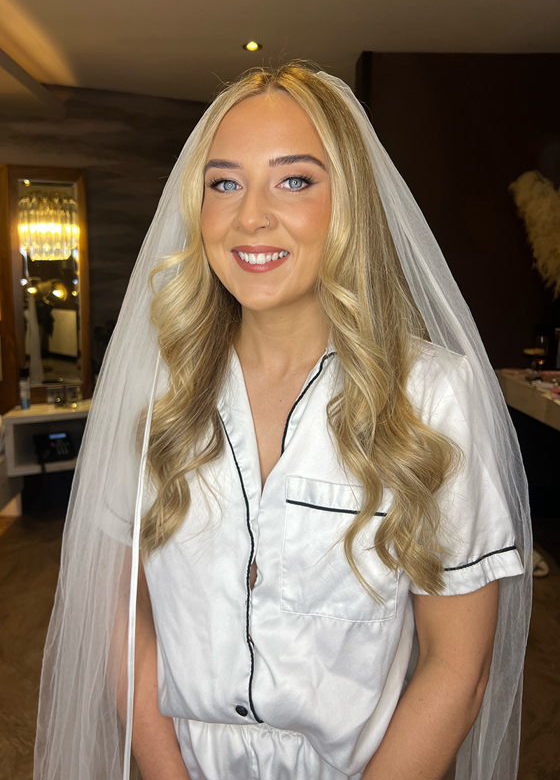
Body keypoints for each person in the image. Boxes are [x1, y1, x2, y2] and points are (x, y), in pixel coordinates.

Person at [33, 63, 532, 780]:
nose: (250, 216)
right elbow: (117, 606)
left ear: (349, 203)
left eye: (294, 180)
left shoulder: (434, 398)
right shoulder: (154, 391)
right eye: (224, 183)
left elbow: (459, 669)